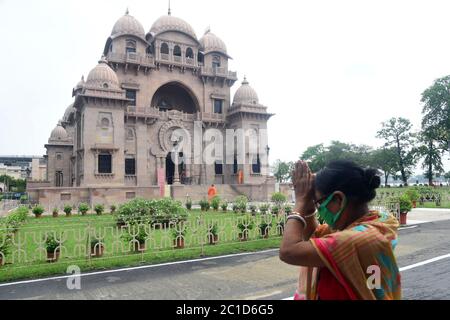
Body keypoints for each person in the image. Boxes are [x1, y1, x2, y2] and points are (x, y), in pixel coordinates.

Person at [279, 160, 401, 300]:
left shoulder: (355, 239)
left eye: (319, 203)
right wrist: (309, 207)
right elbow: (314, 235)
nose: (318, 208)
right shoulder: (374, 226)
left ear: (338, 199)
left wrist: (300, 202)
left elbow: (288, 252)